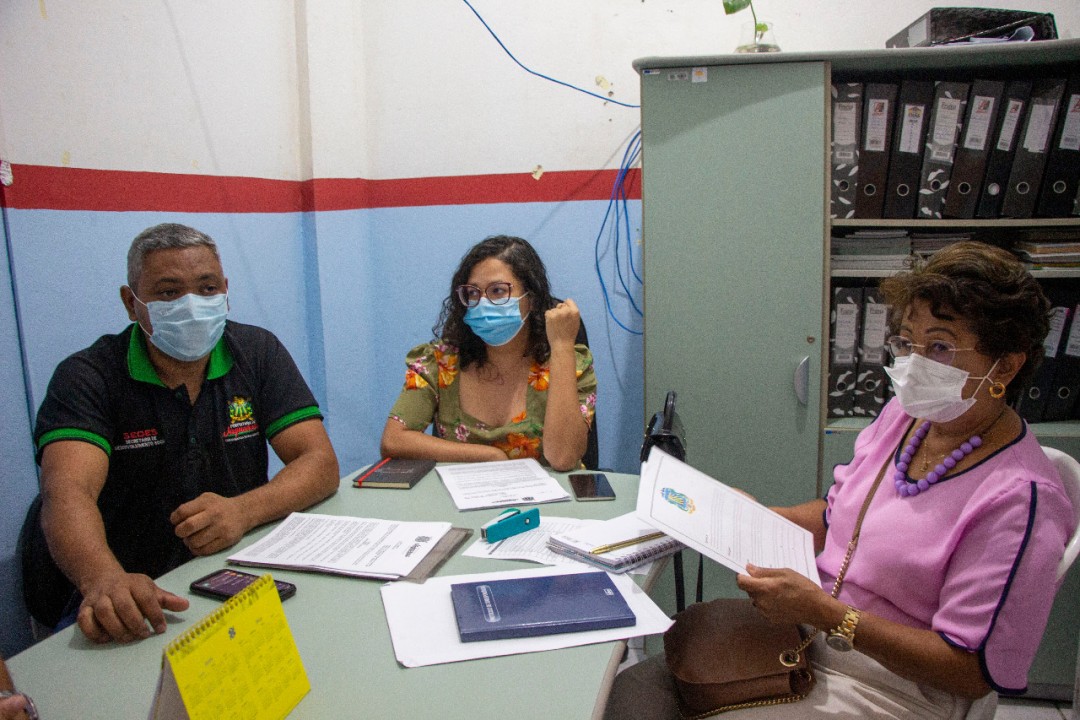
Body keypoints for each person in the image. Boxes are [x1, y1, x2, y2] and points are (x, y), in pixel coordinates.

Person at [605, 241, 1077, 719]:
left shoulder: (1020, 500)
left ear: (1008, 364)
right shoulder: (907, 418)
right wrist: (756, 518)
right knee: (634, 692)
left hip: (897, 689)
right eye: (907, 342)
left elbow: (969, 670)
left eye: (939, 346)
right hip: (811, 642)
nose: (915, 364)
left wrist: (826, 614)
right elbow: (838, 519)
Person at [21, 223, 339, 644]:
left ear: (226, 290)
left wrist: (243, 511)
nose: (192, 305)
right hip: (116, 589)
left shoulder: (257, 352)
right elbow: (67, 493)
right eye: (169, 292)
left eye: (207, 289)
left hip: (222, 573)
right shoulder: (87, 376)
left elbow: (319, 462)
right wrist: (104, 578)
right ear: (131, 303)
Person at [380, 235, 596, 472]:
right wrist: (488, 455)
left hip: (550, 506)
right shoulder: (440, 363)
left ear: (531, 299)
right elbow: (394, 440)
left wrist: (563, 344)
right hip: (461, 503)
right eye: (473, 294)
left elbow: (563, 458)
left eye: (497, 291)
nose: (482, 303)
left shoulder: (569, 363)